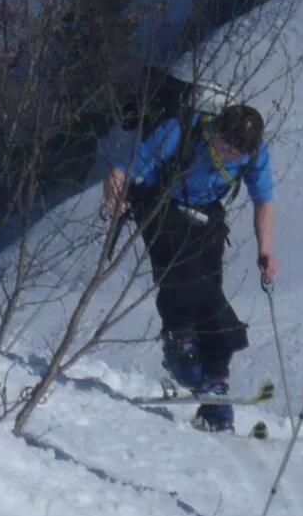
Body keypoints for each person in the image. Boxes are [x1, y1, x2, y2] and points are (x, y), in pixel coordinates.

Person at [102, 104, 278, 432]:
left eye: (238, 152)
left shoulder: (255, 154)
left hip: (205, 213)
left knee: (209, 286)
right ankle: (181, 348)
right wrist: (113, 196)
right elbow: (125, 167)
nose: (230, 156)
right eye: (227, 147)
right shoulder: (183, 130)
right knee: (188, 280)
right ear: (216, 131)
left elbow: (263, 199)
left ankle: (215, 391)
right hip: (159, 204)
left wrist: (265, 248)